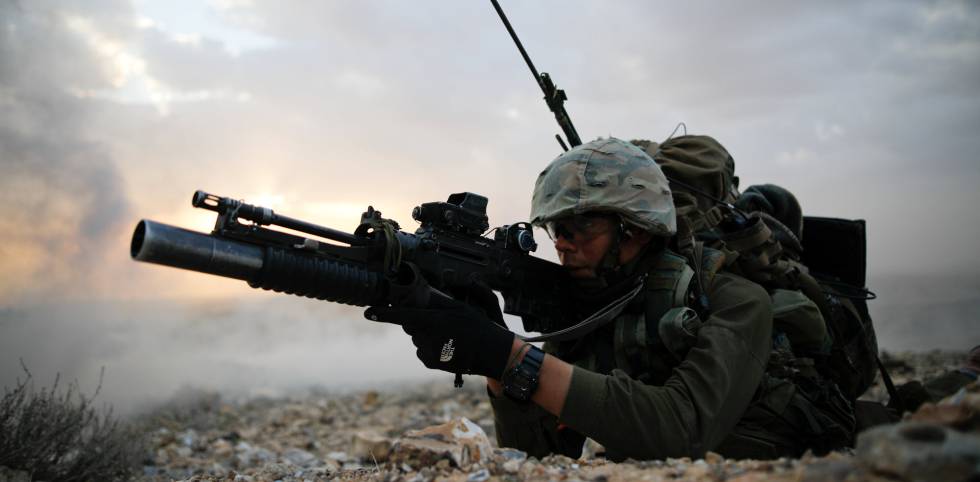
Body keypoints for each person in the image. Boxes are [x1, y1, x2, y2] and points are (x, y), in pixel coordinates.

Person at [365, 138, 839, 460]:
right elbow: (539, 454)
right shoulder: (590, 307)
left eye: (580, 227)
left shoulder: (734, 297)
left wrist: (512, 358)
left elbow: (683, 427)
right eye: (556, 229)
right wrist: (494, 363)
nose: (562, 243)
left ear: (636, 228)